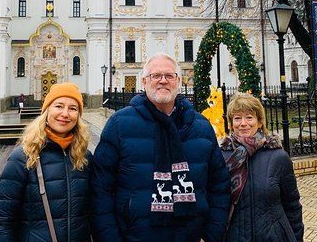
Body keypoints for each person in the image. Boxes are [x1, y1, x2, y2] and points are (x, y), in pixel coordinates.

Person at [91, 52, 230, 242]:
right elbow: (101, 190)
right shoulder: (119, 125)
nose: (163, 81)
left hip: (191, 235)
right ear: (144, 82)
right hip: (136, 235)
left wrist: (211, 235)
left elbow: (219, 186)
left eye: (169, 76)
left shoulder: (200, 127)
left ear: (178, 81)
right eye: (156, 76)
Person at [0, 83, 92, 241]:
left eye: (73, 108)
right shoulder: (23, 157)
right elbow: (3, 222)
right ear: (46, 111)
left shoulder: (84, 157)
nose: (65, 114)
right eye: (58, 106)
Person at [221, 93, 303, 242]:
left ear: (259, 122)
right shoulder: (222, 157)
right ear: (231, 123)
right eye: (237, 118)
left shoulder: (278, 157)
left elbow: (292, 206)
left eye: (249, 117)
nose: (243, 123)